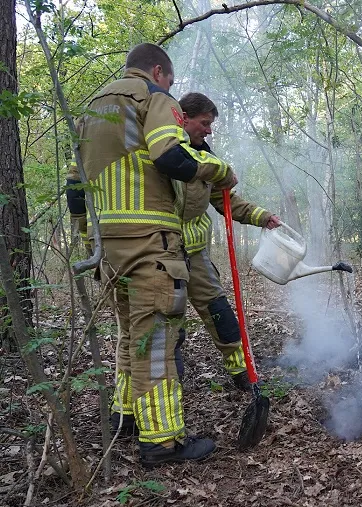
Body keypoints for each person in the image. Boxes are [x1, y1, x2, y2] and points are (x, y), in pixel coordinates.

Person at [65, 43, 236, 467]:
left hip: (109, 246)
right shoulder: (153, 98)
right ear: (158, 72)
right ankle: (162, 441)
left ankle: (124, 416)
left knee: (131, 335)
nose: (171, 90)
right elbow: (170, 156)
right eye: (170, 82)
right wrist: (217, 170)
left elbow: (75, 186)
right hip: (151, 244)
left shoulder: (92, 109)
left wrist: (88, 237)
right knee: (158, 340)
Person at [174, 92, 280, 391]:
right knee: (168, 325)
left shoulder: (207, 160)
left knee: (219, 312)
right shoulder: (162, 156)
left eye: (211, 125)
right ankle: (166, 386)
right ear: (183, 119)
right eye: (204, 123)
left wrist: (263, 217)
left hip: (196, 254)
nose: (209, 131)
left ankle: (242, 373)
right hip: (162, 254)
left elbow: (226, 200)